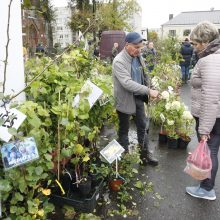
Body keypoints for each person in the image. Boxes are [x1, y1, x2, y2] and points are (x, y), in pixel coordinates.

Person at [112, 32, 159, 166]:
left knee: (142, 127)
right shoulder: (119, 61)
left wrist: (151, 86)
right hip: (125, 99)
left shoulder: (138, 56)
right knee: (124, 130)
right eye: (136, 47)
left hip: (138, 98)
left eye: (141, 48)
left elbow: (145, 74)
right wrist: (149, 91)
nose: (139, 50)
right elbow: (127, 83)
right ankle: (124, 159)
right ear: (127, 45)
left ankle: (144, 156)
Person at [186, 21, 220, 200]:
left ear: (205, 41)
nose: (194, 47)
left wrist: (204, 129)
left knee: (210, 151)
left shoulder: (210, 61)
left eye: (195, 43)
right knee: (212, 150)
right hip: (215, 116)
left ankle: (207, 189)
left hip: (211, 117)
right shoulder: (213, 57)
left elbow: (211, 97)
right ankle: (206, 186)